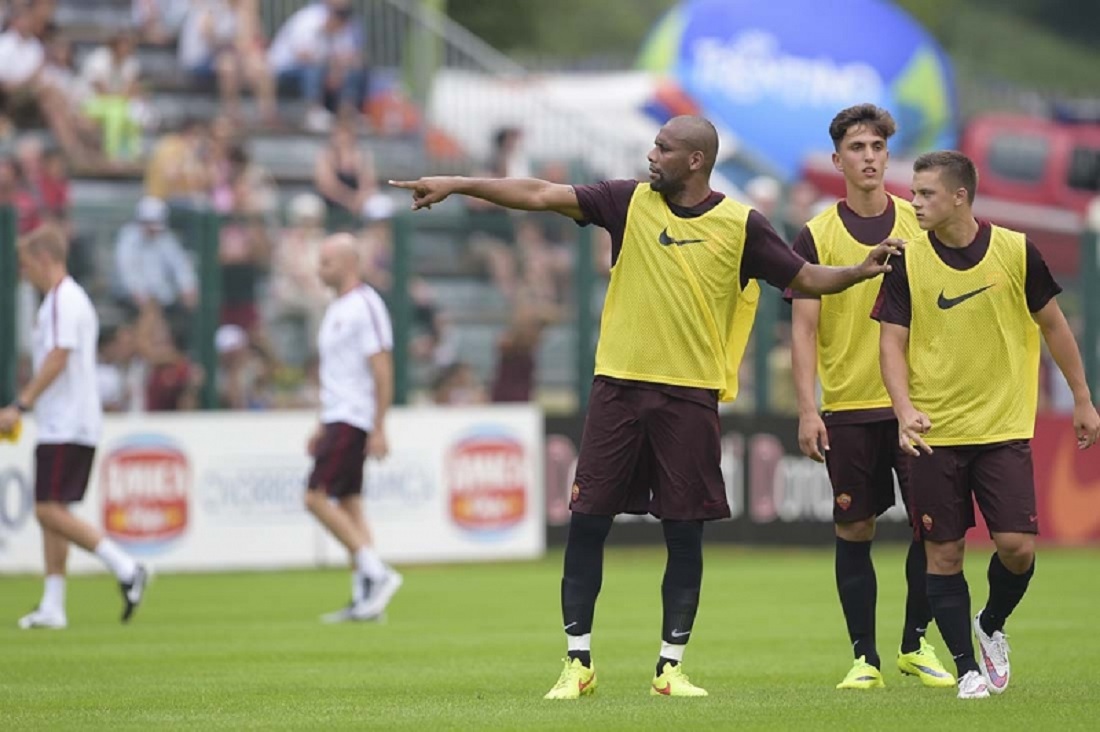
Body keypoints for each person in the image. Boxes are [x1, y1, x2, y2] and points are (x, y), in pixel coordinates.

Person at [390, 115, 900, 699]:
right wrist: (457, 183)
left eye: (663, 148)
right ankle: (577, 662)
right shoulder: (625, 201)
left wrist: (858, 272)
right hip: (618, 389)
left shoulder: (741, 225)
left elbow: (804, 277)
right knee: (587, 523)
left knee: (684, 534)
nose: (651, 156)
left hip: (690, 397)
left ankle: (669, 667)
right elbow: (538, 193)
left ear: (695, 161)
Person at [874, 150, 1100, 699]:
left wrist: (1082, 397)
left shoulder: (1017, 251)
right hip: (934, 434)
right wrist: (903, 409)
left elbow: (1054, 326)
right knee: (944, 553)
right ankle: (965, 669)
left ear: (960, 197)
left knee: (1017, 547)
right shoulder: (906, 260)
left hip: (1002, 428)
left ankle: (991, 624)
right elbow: (891, 343)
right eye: (914, 192)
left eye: (926, 193)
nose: (914, 202)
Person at [786, 104, 952, 690]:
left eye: (878, 147)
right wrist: (808, 408)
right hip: (849, 407)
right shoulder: (816, 234)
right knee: (855, 530)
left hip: (915, 408)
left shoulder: (918, 223)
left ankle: (915, 644)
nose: (869, 157)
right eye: (857, 148)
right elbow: (803, 329)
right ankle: (865, 659)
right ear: (838, 160)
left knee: (932, 530)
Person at [0, 224, 150, 629]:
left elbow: (58, 356)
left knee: (47, 509)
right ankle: (53, 603)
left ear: (44, 258)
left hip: (65, 421)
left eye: (27, 264)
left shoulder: (62, 300)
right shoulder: (66, 300)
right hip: (69, 420)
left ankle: (125, 566)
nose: (25, 273)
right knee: (54, 510)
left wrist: (21, 403)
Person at [304, 233, 401, 622]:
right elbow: (337, 374)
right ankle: (366, 599)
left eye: (325, 262)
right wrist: (321, 423)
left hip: (353, 416)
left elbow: (382, 368)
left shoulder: (366, 304)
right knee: (349, 503)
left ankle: (377, 574)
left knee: (314, 497)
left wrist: (379, 426)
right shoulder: (336, 308)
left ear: (347, 263)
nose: (319, 269)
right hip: (337, 416)